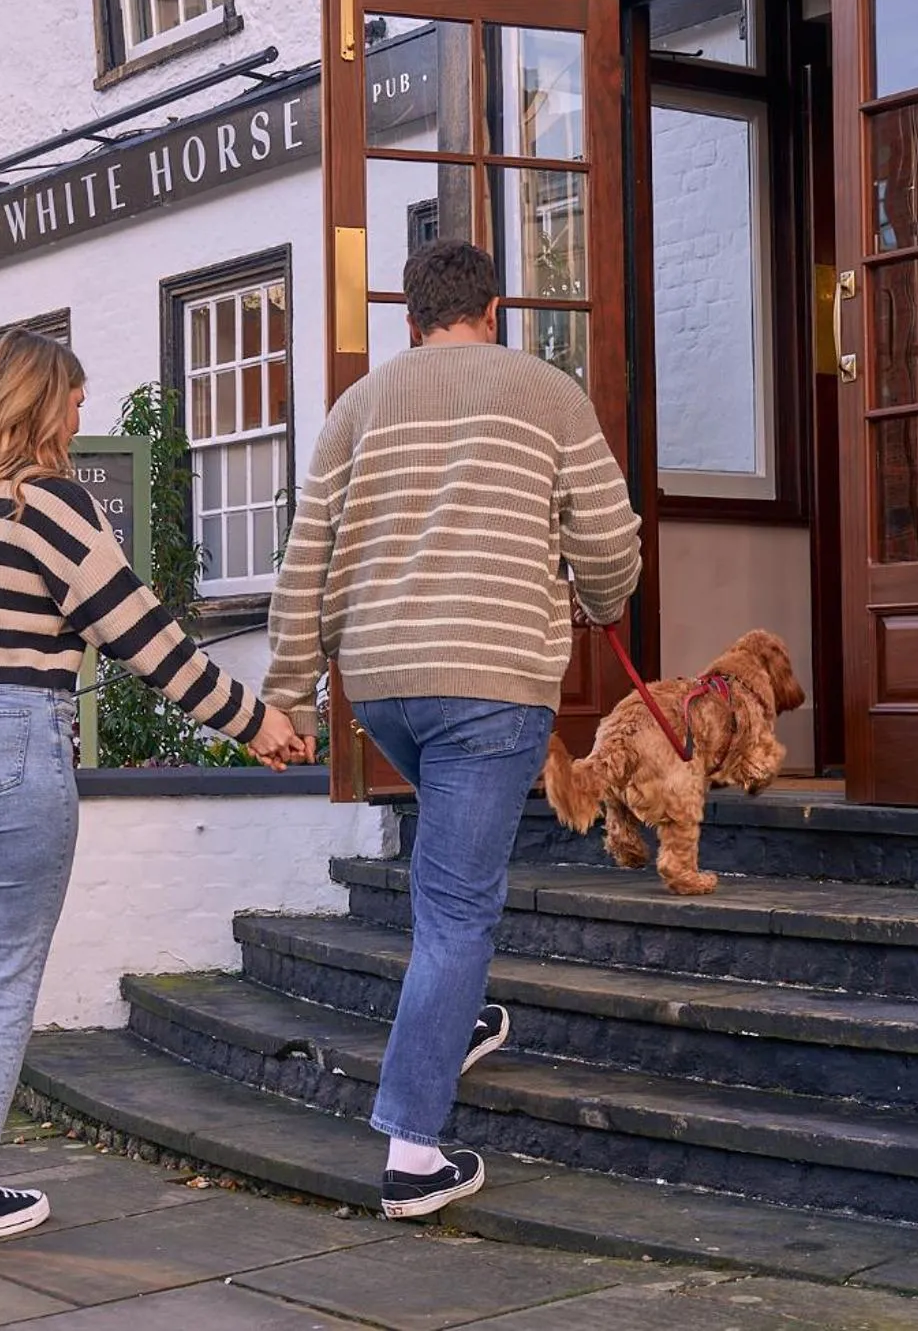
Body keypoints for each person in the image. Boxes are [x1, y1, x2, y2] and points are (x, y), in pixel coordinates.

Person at [0, 330, 307, 1251]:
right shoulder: (49, 506)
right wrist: (255, 721)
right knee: (7, 967)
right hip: (3, 745)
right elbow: (148, 640)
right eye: (71, 399)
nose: (79, 415)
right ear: (36, 405)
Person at [263, 240, 642, 1219]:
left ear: (409, 319)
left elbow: (308, 558)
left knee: (447, 878)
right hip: (488, 683)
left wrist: (291, 690)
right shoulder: (544, 391)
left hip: (383, 683)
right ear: (494, 309)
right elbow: (605, 540)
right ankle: (411, 1150)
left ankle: (454, 1017)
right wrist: (601, 597)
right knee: (461, 905)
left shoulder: (358, 408)